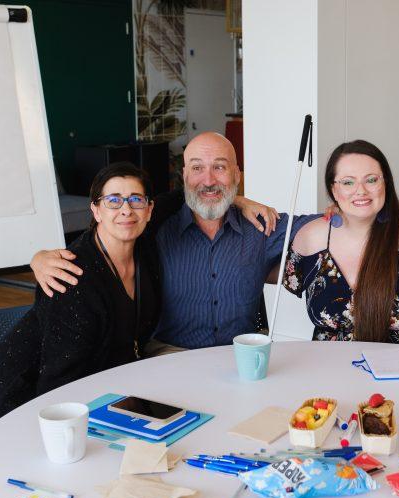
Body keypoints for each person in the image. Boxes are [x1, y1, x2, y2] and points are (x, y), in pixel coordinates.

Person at [31, 132, 314, 353]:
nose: (208, 179)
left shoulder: (260, 225)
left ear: (237, 175)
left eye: (220, 167)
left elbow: (324, 227)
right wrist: (41, 257)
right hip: (169, 355)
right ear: (184, 176)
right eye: (197, 168)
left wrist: (351, 202)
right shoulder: (154, 227)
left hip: (244, 354)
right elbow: (105, 235)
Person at [0, 163, 159, 439]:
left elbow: (185, 197)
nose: (126, 209)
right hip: (29, 407)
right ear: (96, 210)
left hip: (102, 390)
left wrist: (238, 200)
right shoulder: (71, 276)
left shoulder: (145, 250)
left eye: (136, 199)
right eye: (113, 200)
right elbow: (57, 384)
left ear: (150, 209)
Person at [282, 140, 399, 343]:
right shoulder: (310, 237)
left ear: (385, 182)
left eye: (371, 180)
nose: (360, 191)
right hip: (328, 367)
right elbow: (279, 273)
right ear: (333, 190)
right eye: (348, 182)